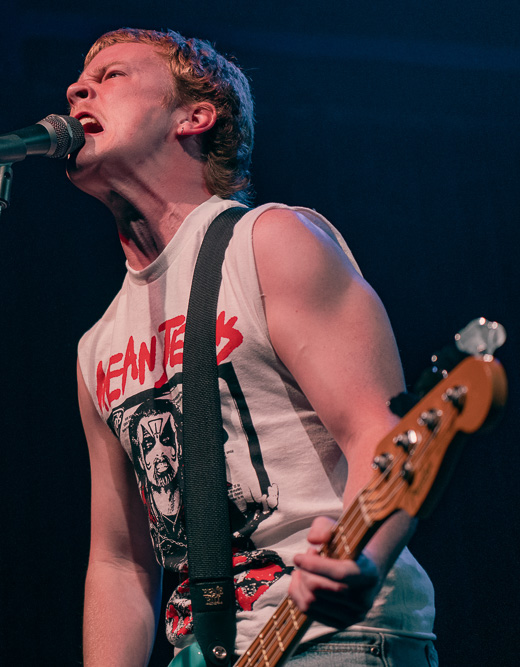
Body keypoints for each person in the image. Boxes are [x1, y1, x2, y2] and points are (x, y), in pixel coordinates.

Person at [70, 28, 438, 666]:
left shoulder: (270, 244)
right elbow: (119, 560)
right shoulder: (97, 346)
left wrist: (366, 562)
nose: (78, 88)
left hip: (331, 638)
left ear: (195, 115)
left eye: (112, 76)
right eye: (81, 79)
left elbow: (378, 431)